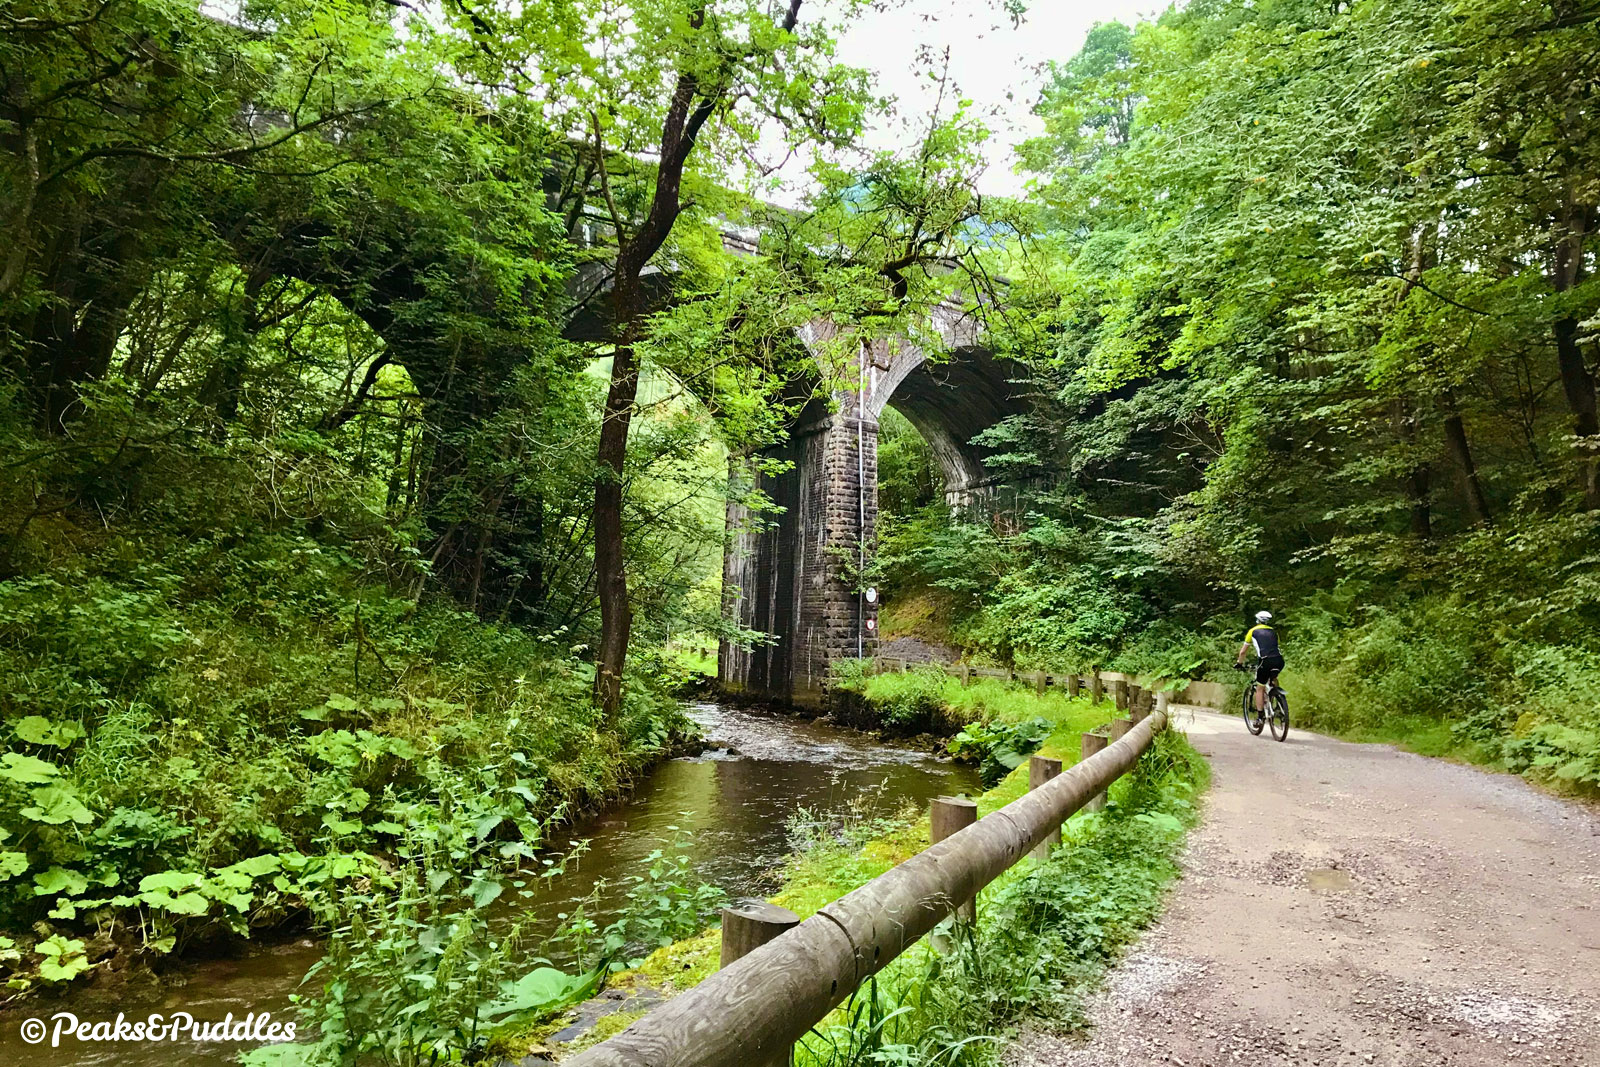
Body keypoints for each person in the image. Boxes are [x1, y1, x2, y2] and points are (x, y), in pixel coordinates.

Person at [1235, 610, 1283, 713]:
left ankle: (1260, 717)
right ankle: (1279, 699)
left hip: (1265, 661)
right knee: (1273, 677)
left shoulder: (1252, 631)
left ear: (1257, 620)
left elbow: (1243, 652)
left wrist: (1239, 663)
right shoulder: (1274, 632)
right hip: (1279, 660)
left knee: (1260, 688)